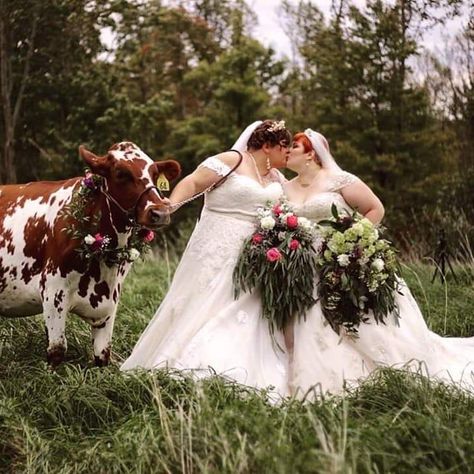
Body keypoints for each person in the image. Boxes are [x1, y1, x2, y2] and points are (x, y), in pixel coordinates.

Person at [283, 129, 474, 400]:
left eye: (294, 147)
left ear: (311, 153)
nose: (287, 151)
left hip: (339, 258)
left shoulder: (338, 180)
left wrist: (350, 242)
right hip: (302, 265)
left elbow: (376, 209)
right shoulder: (285, 186)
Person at [121, 120, 292, 398]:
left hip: (254, 254)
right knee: (203, 303)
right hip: (215, 245)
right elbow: (193, 181)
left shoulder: (275, 179)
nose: (289, 153)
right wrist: (171, 205)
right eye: (285, 147)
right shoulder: (232, 160)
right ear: (268, 145)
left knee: (242, 310)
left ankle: (232, 369)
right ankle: (185, 365)